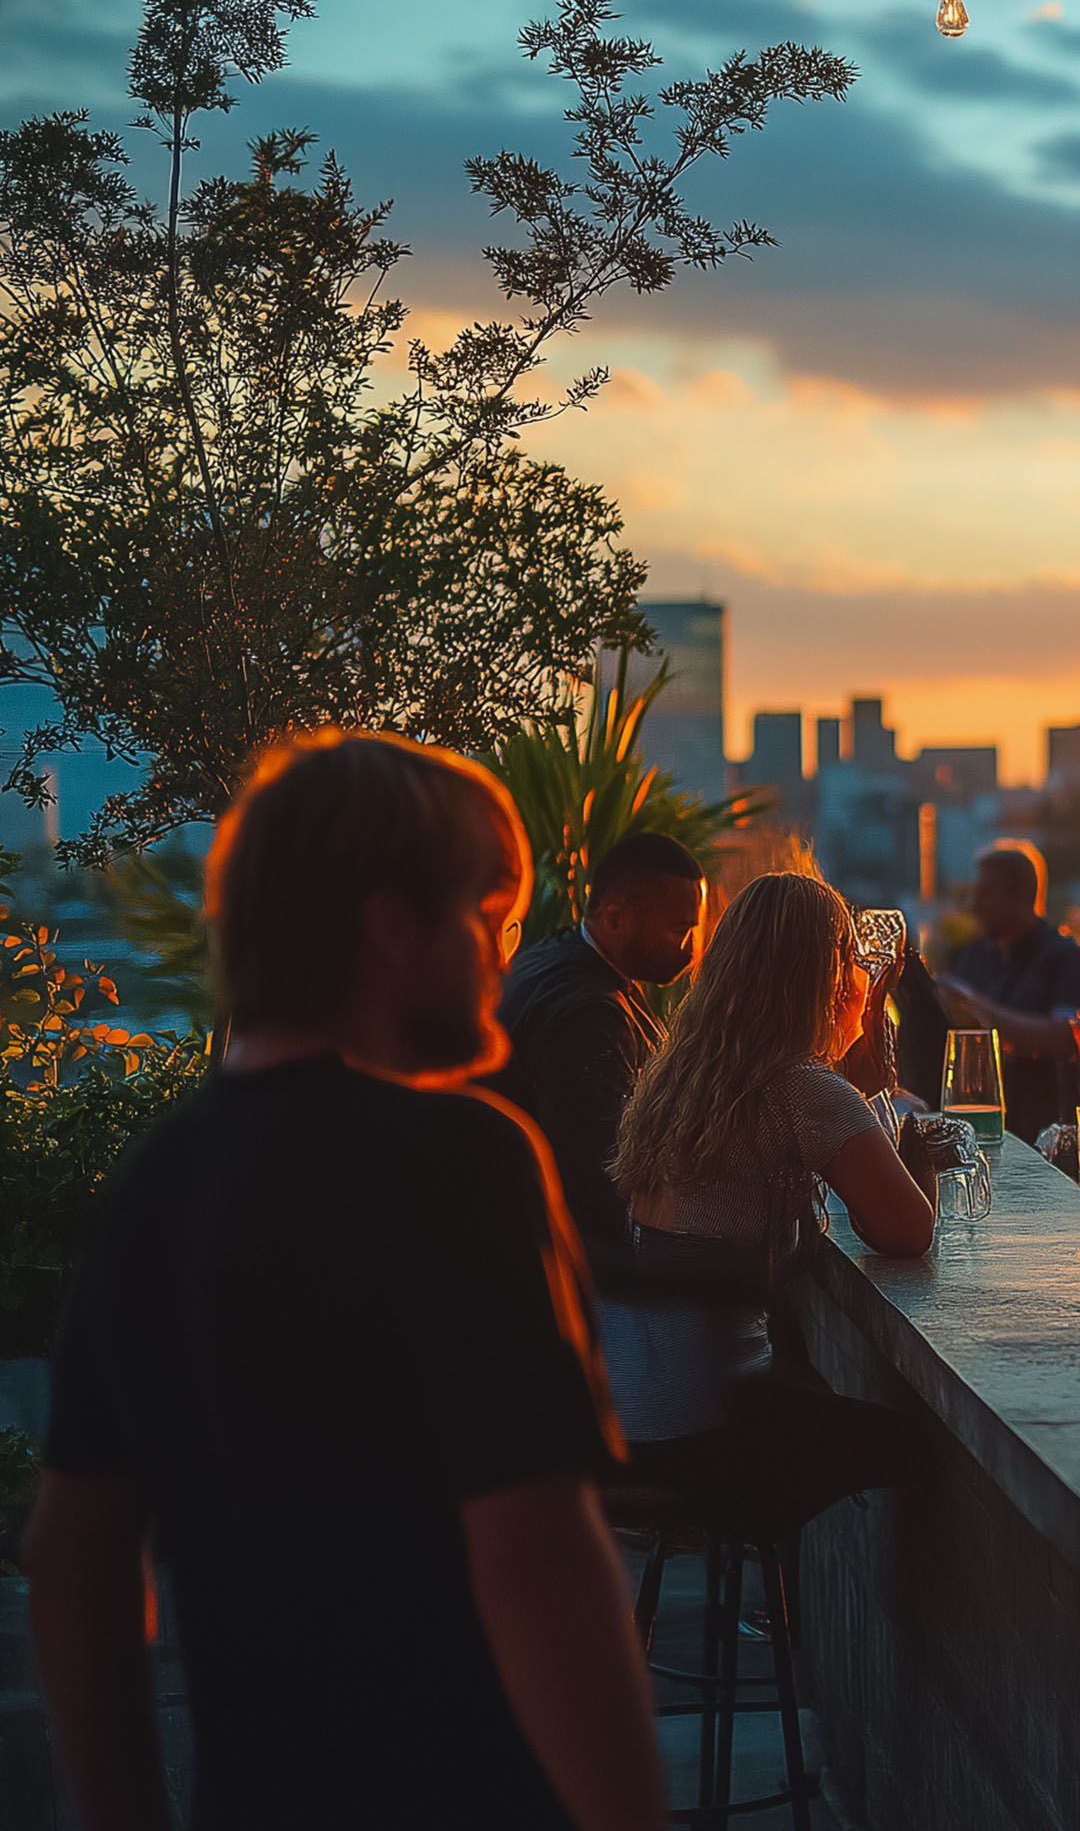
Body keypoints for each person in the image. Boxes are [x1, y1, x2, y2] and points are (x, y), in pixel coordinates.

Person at [28, 730, 661, 1831]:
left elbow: (70, 1555)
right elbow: (537, 1555)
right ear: (391, 928)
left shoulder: (158, 1175)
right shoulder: (463, 1156)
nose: (504, 957)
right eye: (488, 917)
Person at [605, 871, 945, 1534]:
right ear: (829, 978)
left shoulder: (678, 1076)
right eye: (851, 959)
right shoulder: (803, 1087)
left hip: (628, 1424)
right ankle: (811, 1619)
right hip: (711, 1431)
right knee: (924, 1449)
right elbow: (907, 1232)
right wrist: (906, 1131)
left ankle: (781, 1598)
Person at [490, 830, 707, 1291]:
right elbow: (598, 1175)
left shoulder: (549, 959)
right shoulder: (588, 1014)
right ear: (614, 917)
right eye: (679, 930)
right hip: (560, 1282)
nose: (691, 951)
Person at [934, 839, 1080, 1142]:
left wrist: (977, 1005)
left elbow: (1067, 1038)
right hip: (983, 1130)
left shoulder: (1069, 959)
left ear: (1022, 896)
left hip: (1047, 1135)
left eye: (986, 894)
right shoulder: (974, 956)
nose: (974, 905)